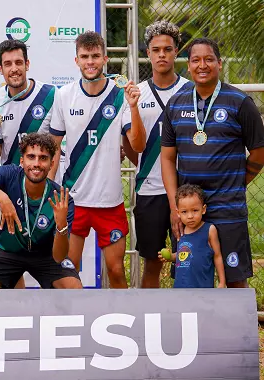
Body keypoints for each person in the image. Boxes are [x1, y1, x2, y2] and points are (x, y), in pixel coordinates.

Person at [161, 37, 264, 288]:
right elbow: (166, 158)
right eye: (196, 60)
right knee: (188, 278)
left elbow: (260, 152)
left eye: (209, 59)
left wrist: (238, 181)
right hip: (189, 211)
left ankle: (238, 328)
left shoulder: (240, 102)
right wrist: (176, 208)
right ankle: (195, 328)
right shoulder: (175, 104)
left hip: (228, 208)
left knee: (234, 279)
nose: (202, 65)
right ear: (188, 66)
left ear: (219, 63)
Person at [48, 31, 144, 288]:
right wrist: (48, 188)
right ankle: (69, 325)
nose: (90, 62)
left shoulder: (119, 94)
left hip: (109, 201)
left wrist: (134, 107)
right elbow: (53, 148)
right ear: (76, 60)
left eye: (95, 56)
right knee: (67, 272)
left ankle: (125, 324)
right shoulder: (64, 95)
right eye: (84, 56)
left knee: (115, 271)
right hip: (73, 199)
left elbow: (138, 144)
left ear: (105, 58)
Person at [122, 21, 190, 288]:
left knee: (186, 261)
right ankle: (149, 325)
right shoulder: (136, 93)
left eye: (168, 49)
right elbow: (134, 145)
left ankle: (186, 322)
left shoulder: (191, 91)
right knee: (152, 262)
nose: (162, 54)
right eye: (156, 49)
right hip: (149, 190)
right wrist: (136, 108)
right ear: (148, 54)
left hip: (186, 191)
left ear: (176, 53)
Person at [0, 133, 81, 289]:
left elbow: (58, 257)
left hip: (46, 254)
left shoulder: (62, 200)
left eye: (43, 158)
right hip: (8, 250)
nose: (36, 163)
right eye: (31, 157)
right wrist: (3, 199)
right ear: (22, 161)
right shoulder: (10, 174)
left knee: (74, 288)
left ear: (51, 164)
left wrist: (61, 226)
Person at [0, 39, 57, 166]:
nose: (14, 69)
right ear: (0, 68)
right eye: (7, 64)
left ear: (27, 64)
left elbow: (57, 147)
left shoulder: (50, 95)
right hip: (11, 182)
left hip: (43, 181)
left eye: (18, 63)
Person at [158, 184, 225, 288]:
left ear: (203, 209)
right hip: (181, 287)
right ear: (178, 213)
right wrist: (171, 257)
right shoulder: (181, 231)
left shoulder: (209, 230)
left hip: (203, 288)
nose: (190, 216)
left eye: (195, 210)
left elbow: (217, 256)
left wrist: (222, 282)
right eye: (184, 212)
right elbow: (184, 255)